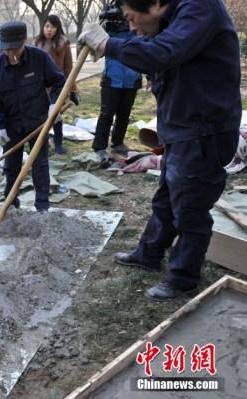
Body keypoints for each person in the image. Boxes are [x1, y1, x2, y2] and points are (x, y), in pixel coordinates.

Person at [78, 0, 241, 301]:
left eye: (131, 18)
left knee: (191, 211)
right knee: (166, 199)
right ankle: (149, 253)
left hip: (204, 131)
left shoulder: (200, 8)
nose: (131, 27)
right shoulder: (172, 20)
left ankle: (182, 279)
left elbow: (165, 53)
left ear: (153, 4)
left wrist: (107, 44)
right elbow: (164, 59)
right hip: (183, 129)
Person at [0, 21, 66, 211]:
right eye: (7, 49)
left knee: (40, 164)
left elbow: (59, 81)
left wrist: (54, 105)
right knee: (11, 167)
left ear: (24, 41)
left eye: (15, 48)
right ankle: (11, 204)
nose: (11, 53)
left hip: (38, 122)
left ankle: (42, 206)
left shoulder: (39, 58)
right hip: (11, 126)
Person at [91, 20, 142, 159]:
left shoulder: (139, 27)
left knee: (124, 115)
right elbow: (96, 49)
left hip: (132, 79)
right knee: (106, 115)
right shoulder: (109, 28)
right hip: (112, 79)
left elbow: (146, 51)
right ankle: (99, 147)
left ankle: (118, 143)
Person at [33, 14, 78, 155]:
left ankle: (58, 143)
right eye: (46, 26)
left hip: (58, 86)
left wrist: (72, 89)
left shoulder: (63, 44)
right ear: (43, 27)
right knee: (42, 117)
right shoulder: (36, 45)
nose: (49, 29)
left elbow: (69, 68)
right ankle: (43, 144)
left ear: (57, 28)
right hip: (40, 87)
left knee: (57, 116)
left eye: (52, 26)